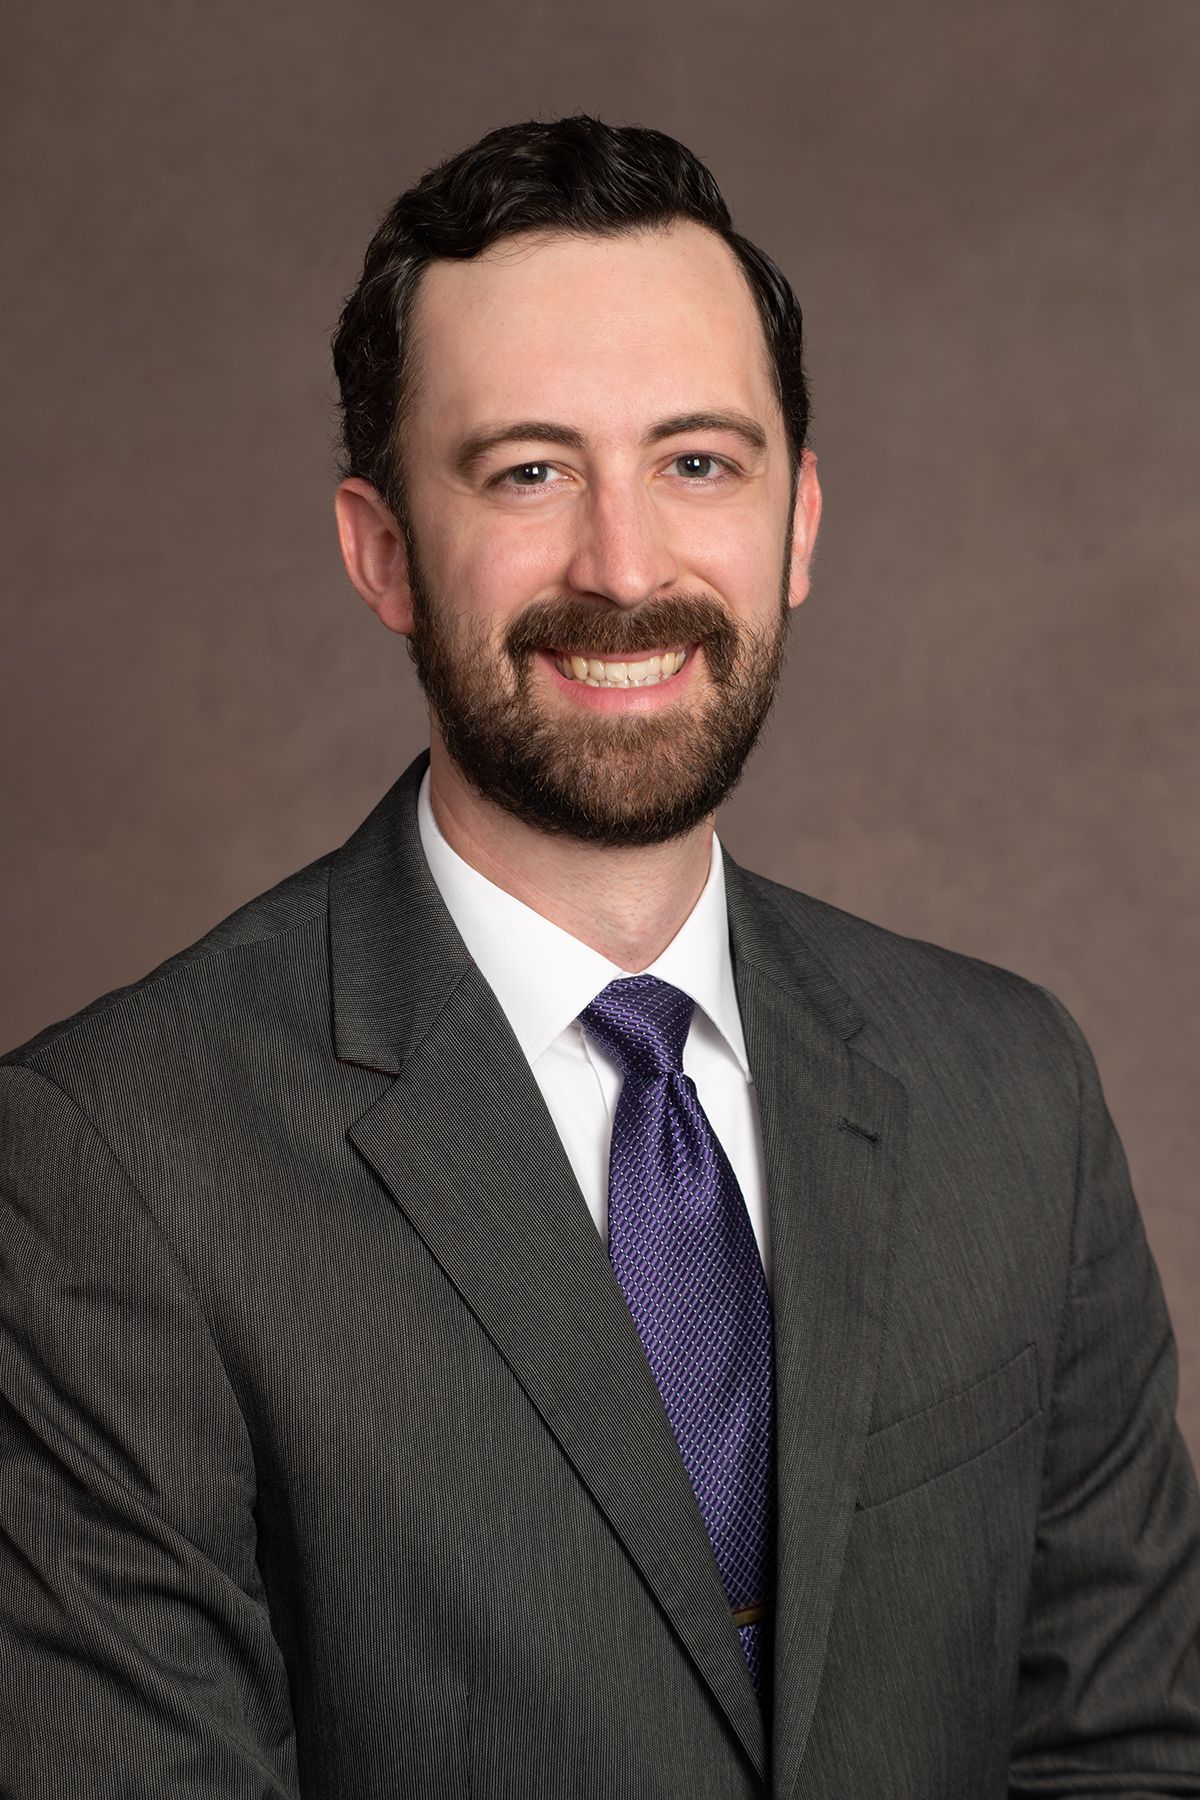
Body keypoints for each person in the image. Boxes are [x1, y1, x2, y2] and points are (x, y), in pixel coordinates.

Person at [1, 114, 1198, 1800]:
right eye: (529, 471)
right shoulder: (107, 1165)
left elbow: (1129, 1751)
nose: (624, 568)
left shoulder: (1011, 1090)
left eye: (699, 463)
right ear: (381, 550)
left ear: (797, 524)